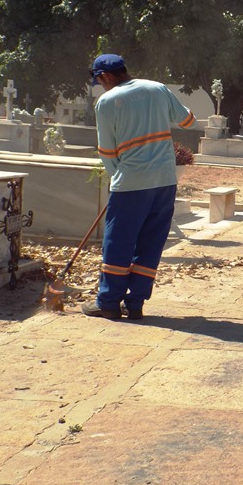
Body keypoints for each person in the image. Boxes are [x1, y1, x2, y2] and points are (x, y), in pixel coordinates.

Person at [82, 53, 196, 320]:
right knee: (151, 242)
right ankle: (135, 304)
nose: (101, 85)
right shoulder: (157, 88)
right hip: (165, 181)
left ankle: (108, 302)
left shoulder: (107, 102)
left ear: (105, 76)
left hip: (131, 183)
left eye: (99, 81)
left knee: (118, 242)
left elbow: (107, 151)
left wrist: (117, 180)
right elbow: (188, 121)